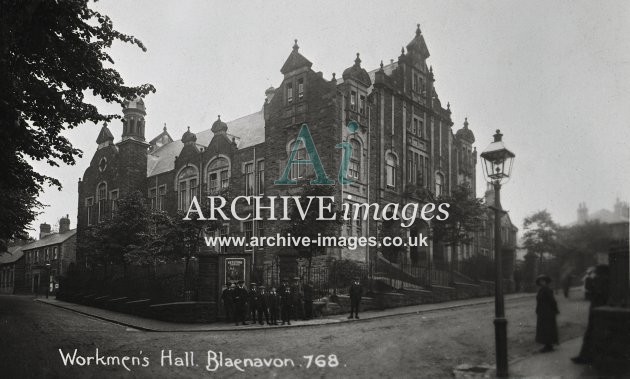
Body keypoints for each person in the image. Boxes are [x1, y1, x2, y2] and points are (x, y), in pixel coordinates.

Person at [572, 264, 610, 364]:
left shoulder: (601, 280)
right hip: (599, 308)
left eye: (596, 271)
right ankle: (587, 356)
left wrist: (589, 277)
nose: (595, 273)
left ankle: (586, 357)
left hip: (597, 309)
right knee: (593, 333)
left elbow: (591, 291)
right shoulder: (606, 280)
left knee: (591, 333)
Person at [535, 274, 559, 352]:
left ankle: (548, 346)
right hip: (543, 311)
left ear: (546, 282)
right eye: (540, 281)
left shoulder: (547, 290)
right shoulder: (542, 289)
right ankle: (548, 345)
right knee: (544, 328)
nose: (542, 282)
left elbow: (552, 301)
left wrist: (555, 310)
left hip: (547, 312)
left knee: (547, 328)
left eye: (543, 281)